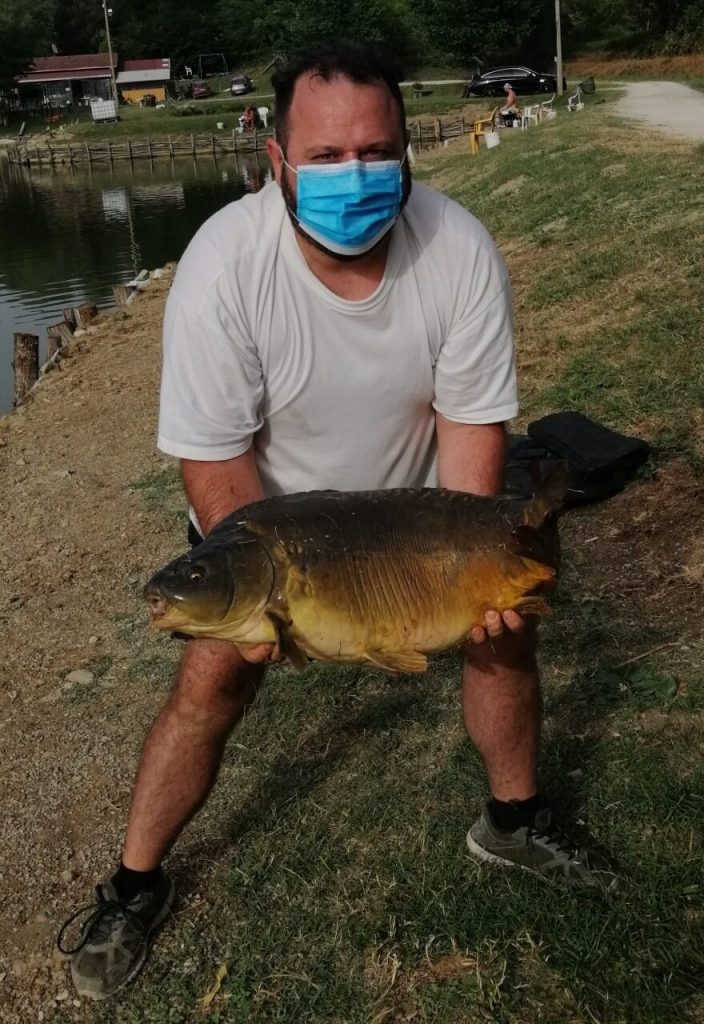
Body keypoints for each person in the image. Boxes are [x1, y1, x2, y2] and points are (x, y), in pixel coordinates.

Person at [59, 40, 602, 1002]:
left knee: (501, 636)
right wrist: (263, 585)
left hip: (410, 513)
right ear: (277, 162)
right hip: (267, 525)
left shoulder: (459, 250)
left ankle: (513, 820)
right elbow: (212, 457)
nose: (356, 175)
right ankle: (134, 883)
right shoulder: (224, 265)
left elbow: (469, 435)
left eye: (377, 152)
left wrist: (482, 560)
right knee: (209, 680)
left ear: (407, 151)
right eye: (326, 157)